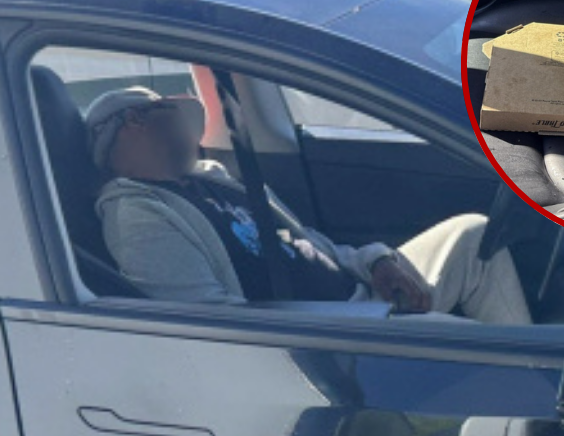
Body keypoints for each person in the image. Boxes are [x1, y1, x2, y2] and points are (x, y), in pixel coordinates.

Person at [86, 86, 532, 324]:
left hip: (362, 295)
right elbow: (213, 326)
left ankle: (543, 383)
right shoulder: (139, 217)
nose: (191, 130)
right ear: (134, 122)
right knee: (476, 348)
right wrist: (352, 323)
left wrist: (376, 261)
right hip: (331, 333)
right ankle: (541, 416)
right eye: (175, 115)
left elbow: (309, 244)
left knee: (475, 237)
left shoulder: (212, 181)